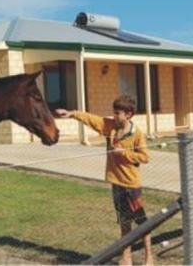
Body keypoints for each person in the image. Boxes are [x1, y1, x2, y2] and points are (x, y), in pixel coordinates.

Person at [55, 95, 153, 266]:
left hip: (132, 185)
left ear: (128, 114)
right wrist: (71, 113)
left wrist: (123, 153)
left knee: (142, 222)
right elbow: (92, 120)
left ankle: (149, 257)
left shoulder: (136, 134)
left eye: (117, 113)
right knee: (124, 222)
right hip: (117, 184)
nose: (113, 116)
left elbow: (145, 157)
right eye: (113, 112)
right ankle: (126, 257)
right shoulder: (111, 127)